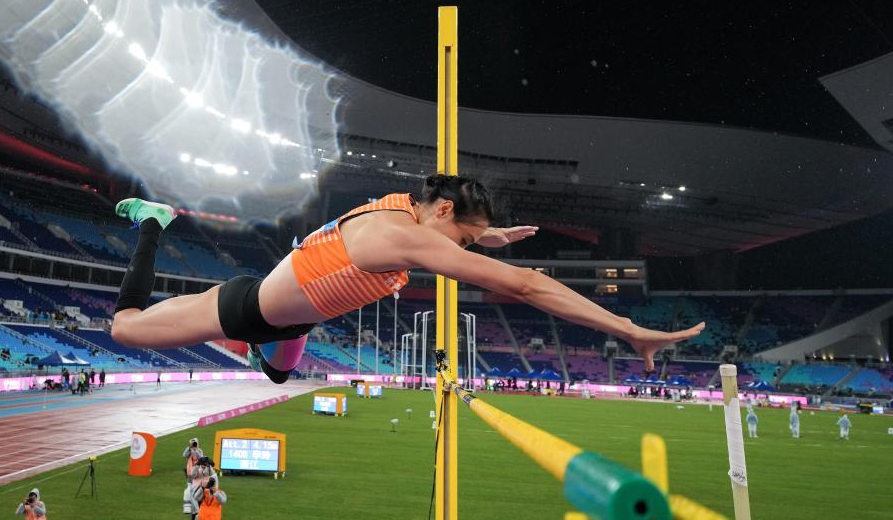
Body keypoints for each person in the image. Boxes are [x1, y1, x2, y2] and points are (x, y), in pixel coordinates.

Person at [110, 175, 704, 384]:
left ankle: (279, 338)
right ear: (442, 212)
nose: (458, 252)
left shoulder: (402, 207)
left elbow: (437, 225)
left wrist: (486, 236)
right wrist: (626, 327)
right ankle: (154, 223)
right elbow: (526, 286)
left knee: (279, 372)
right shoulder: (404, 238)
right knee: (124, 329)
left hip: (289, 314)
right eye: (464, 239)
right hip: (247, 310)